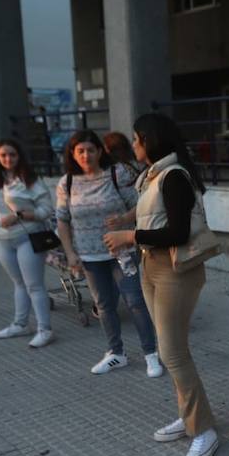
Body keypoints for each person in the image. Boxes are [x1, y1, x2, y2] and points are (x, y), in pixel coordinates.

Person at [103, 113, 229, 456]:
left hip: (176, 268)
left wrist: (128, 236)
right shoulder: (154, 175)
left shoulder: (174, 176)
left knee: (173, 353)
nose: (133, 145)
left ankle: (204, 430)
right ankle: (191, 417)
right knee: (168, 350)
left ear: (151, 140)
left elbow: (178, 232)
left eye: (136, 139)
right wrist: (128, 221)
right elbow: (154, 214)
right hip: (151, 265)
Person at [55, 129, 162, 377]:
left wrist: (124, 218)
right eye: (80, 150)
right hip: (90, 257)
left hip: (121, 252)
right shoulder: (67, 182)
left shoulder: (116, 173)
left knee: (135, 302)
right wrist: (70, 254)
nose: (85, 155)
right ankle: (116, 353)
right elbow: (62, 220)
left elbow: (142, 204)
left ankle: (151, 353)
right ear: (72, 154)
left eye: (90, 150)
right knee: (103, 306)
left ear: (100, 151)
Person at [0, 138, 54, 348]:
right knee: (19, 283)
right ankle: (20, 324)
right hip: (2, 240)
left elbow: (46, 211)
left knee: (34, 285)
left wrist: (20, 215)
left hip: (28, 238)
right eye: (3, 155)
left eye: (12, 154)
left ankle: (45, 329)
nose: (8, 159)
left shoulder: (32, 181)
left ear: (19, 156)